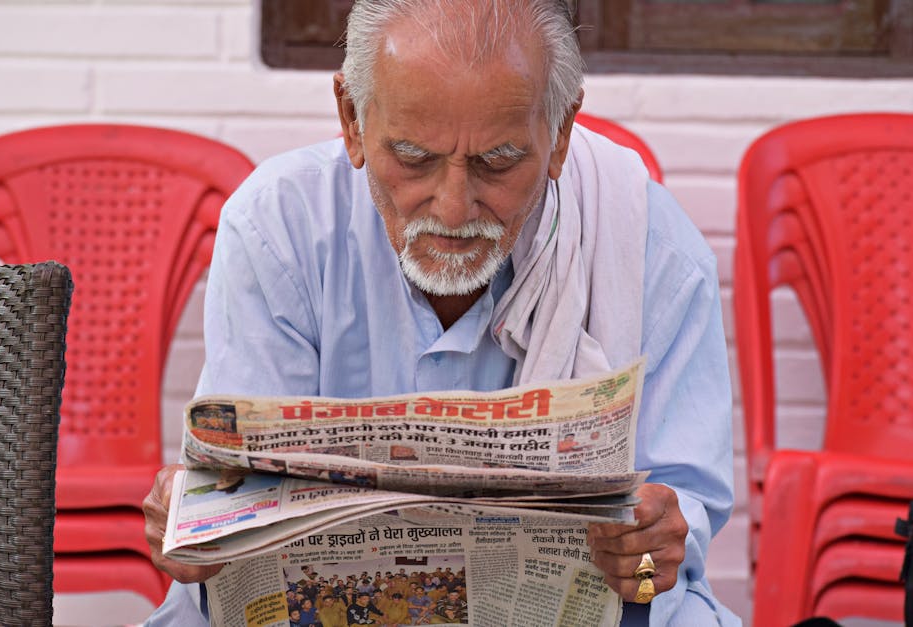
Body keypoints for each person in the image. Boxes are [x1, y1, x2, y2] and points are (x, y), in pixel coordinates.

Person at [141, 0, 737, 625]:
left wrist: (650, 549)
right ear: (351, 118)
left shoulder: (649, 251)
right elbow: (239, 484)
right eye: (413, 156)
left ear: (559, 134)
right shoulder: (280, 226)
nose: (453, 210)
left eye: (498, 162)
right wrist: (197, 519)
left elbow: (678, 520)